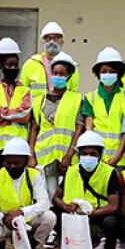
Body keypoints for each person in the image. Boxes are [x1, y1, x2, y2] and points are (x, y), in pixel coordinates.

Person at [52, 131, 121, 249]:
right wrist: (65, 206)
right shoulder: (71, 171)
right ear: (78, 155)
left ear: (100, 155)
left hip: (98, 212)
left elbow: (114, 205)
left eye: (92, 154)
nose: (88, 157)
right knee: (54, 213)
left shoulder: (109, 172)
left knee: (112, 222)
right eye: (84, 153)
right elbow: (56, 197)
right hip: (74, 213)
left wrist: (92, 213)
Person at [0, 138, 54, 249]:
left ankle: (31, 247)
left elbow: (44, 202)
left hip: (26, 219)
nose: (12, 166)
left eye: (16, 163)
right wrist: (4, 218)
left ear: (26, 162)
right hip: (4, 220)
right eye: (9, 162)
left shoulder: (34, 175)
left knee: (50, 217)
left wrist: (21, 212)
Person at [29, 52, 83, 197]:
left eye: (62, 74)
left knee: (64, 194)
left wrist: (69, 155)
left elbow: (79, 128)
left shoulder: (76, 99)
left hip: (66, 156)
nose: (57, 77)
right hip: (43, 155)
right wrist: (31, 155)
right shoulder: (40, 100)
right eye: (55, 73)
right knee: (43, 195)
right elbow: (35, 129)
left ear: (68, 76)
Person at [0, 38, 32, 176]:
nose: (13, 69)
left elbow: (25, 115)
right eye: (9, 65)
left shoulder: (25, 90)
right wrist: (11, 118)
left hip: (17, 147)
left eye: (15, 65)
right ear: (1, 65)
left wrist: (0, 112)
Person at [83, 47, 125, 167]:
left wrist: (117, 157)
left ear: (118, 73)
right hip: (97, 160)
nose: (107, 74)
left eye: (112, 71)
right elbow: (89, 130)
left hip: (120, 160)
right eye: (104, 71)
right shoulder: (90, 98)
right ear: (98, 73)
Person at [20, 22, 80, 102]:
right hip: (35, 112)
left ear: (62, 41)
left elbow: (73, 94)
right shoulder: (30, 65)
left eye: (56, 38)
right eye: (48, 38)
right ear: (43, 41)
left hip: (62, 111)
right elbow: (22, 93)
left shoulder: (72, 66)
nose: (52, 42)